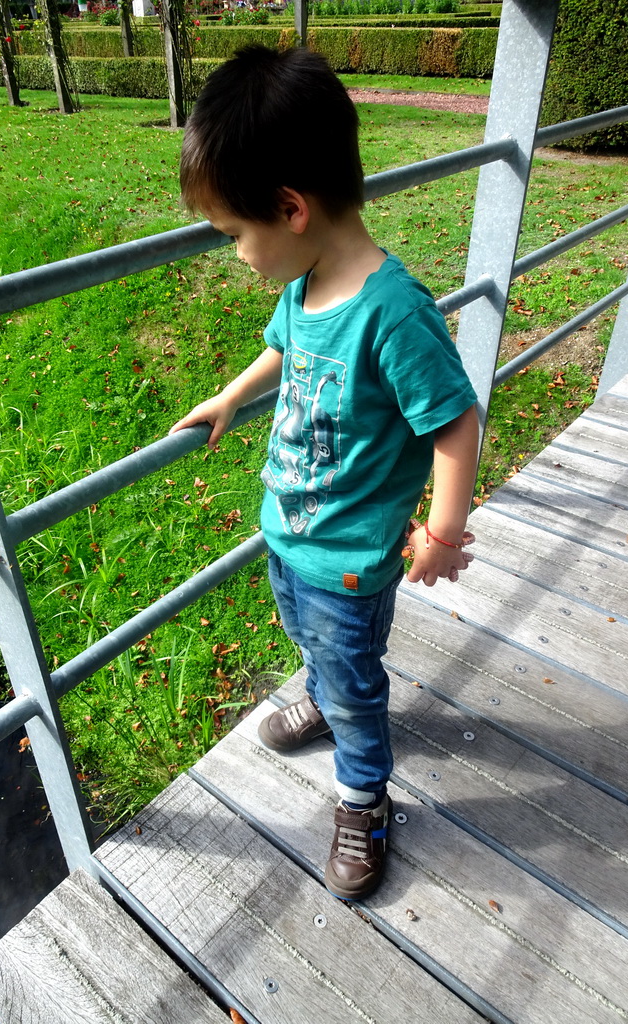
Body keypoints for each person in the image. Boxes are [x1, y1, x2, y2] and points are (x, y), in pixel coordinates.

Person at [170, 44, 479, 901]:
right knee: (314, 649)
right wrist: (230, 398)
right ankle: (321, 690)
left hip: (349, 561)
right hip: (291, 538)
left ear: (290, 207)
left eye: (235, 235)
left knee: (355, 684)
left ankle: (363, 797)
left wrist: (444, 534)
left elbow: (456, 419)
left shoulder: (392, 313)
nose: (236, 256)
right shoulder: (306, 286)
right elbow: (281, 349)